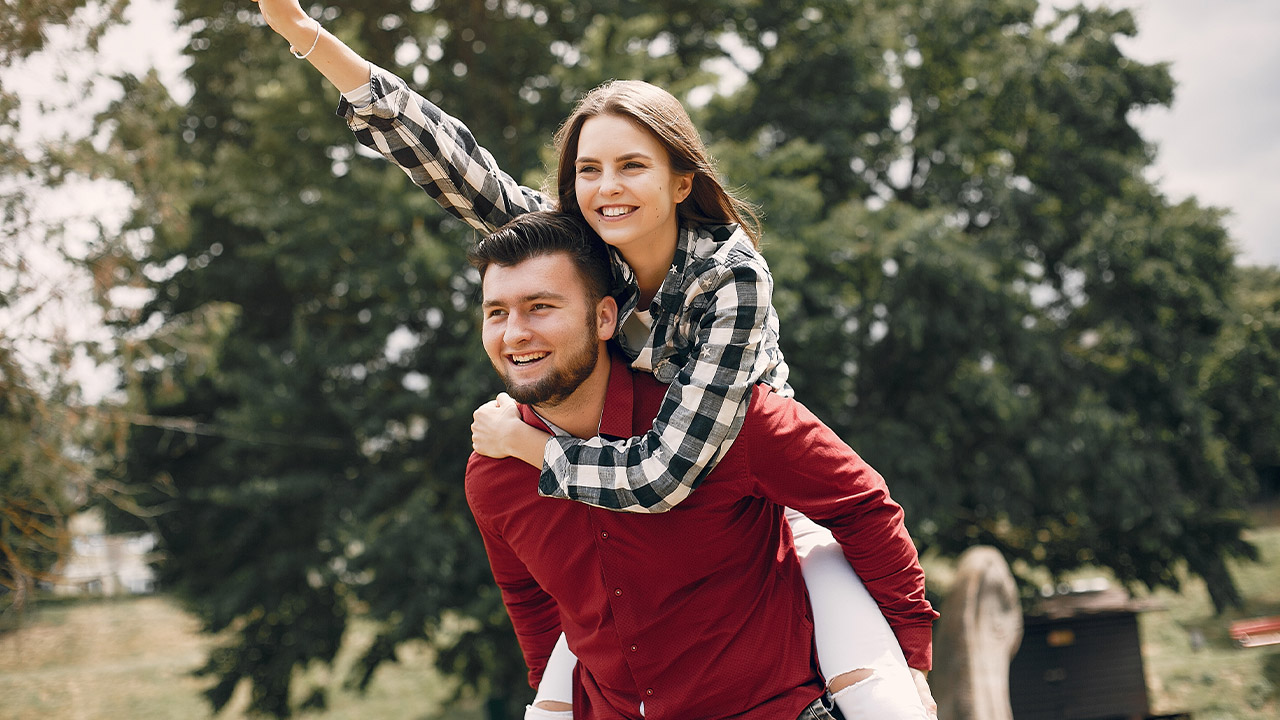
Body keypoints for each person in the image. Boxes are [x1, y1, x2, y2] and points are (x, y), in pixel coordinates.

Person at [248, 2, 938, 717]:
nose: (606, 187)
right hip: (610, 489)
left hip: (755, 497)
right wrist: (311, 40)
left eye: (631, 166)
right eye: (588, 170)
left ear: (680, 181)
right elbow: (455, 165)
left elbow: (665, 475)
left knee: (890, 700)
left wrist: (527, 446)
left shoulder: (731, 279)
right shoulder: (584, 244)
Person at [465, 210, 935, 720]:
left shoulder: (719, 418)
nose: (514, 333)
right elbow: (528, 598)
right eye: (497, 313)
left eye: (540, 307)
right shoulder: (494, 474)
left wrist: (910, 659)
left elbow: (863, 506)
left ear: (603, 317)